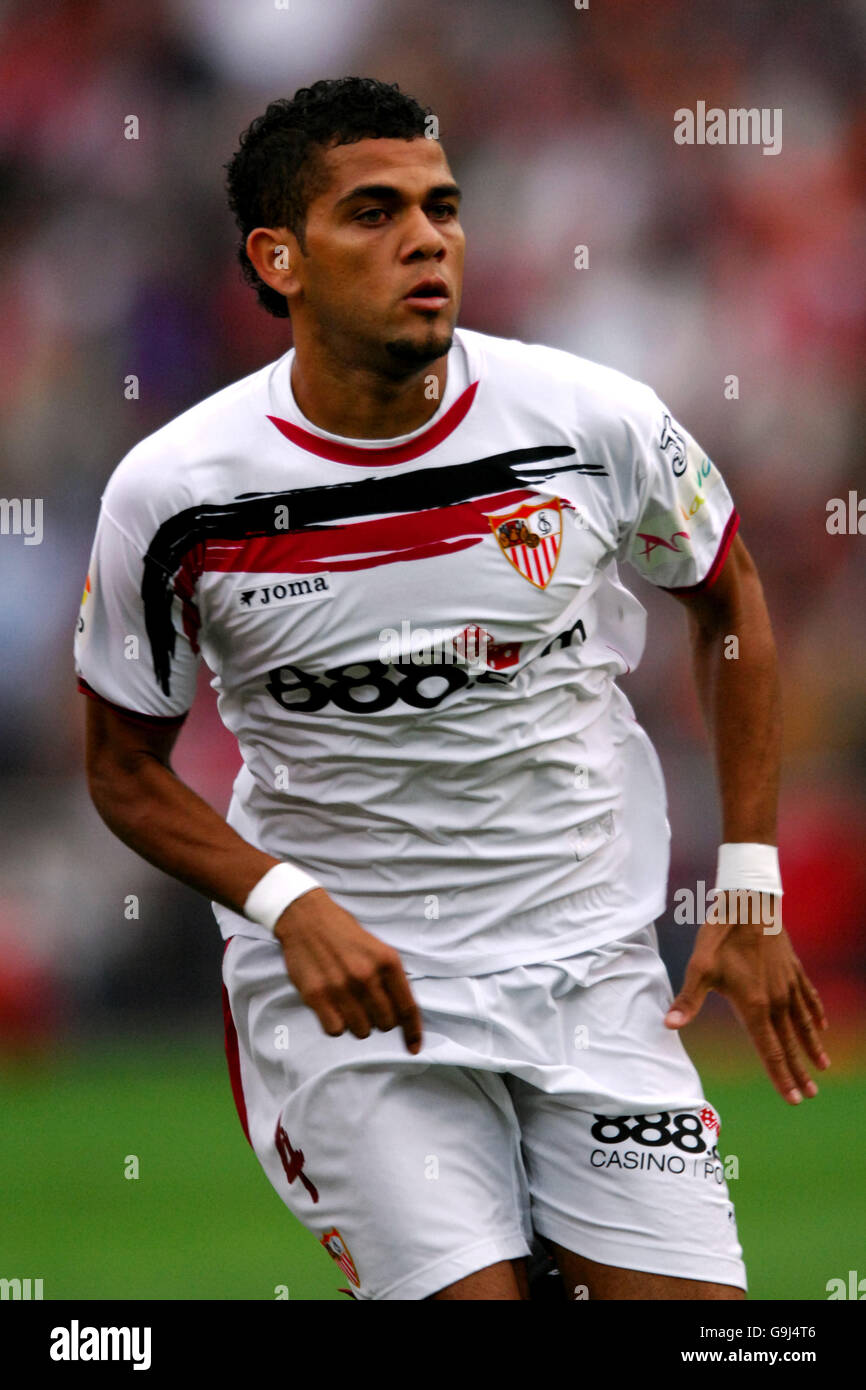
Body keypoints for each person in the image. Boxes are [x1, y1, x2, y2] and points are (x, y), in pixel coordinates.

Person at [74, 76, 829, 1302]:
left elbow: (729, 596)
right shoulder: (175, 493)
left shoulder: (588, 420)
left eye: (441, 207)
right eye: (373, 213)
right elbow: (119, 765)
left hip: (589, 966)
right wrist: (286, 903)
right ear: (280, 258)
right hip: (356, 1000)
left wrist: (746, 882)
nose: (426, 238)